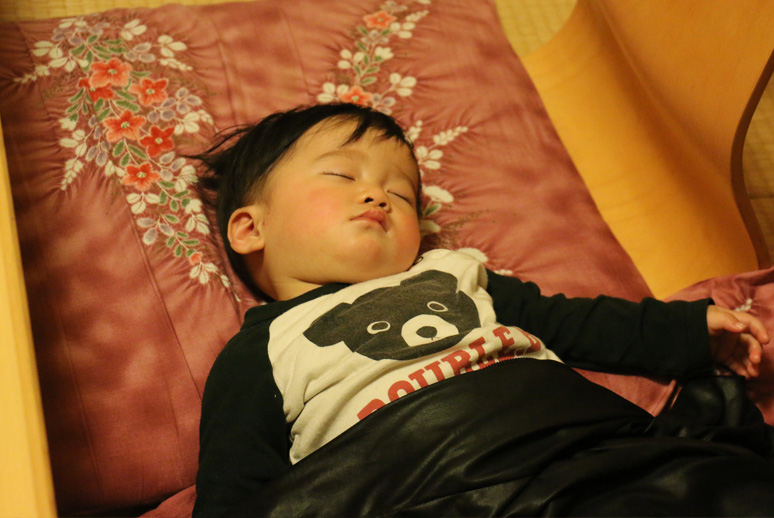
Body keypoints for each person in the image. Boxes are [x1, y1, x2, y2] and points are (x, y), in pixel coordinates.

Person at [192, 103, 774, 517]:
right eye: (342, 175)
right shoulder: (261, 349)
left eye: (401, 194)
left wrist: (686, 329)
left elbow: (571, 322)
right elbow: (235, 485)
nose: (377, 196)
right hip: (411, 486)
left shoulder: (452, 272)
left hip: (572, 448)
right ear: (250, 228)